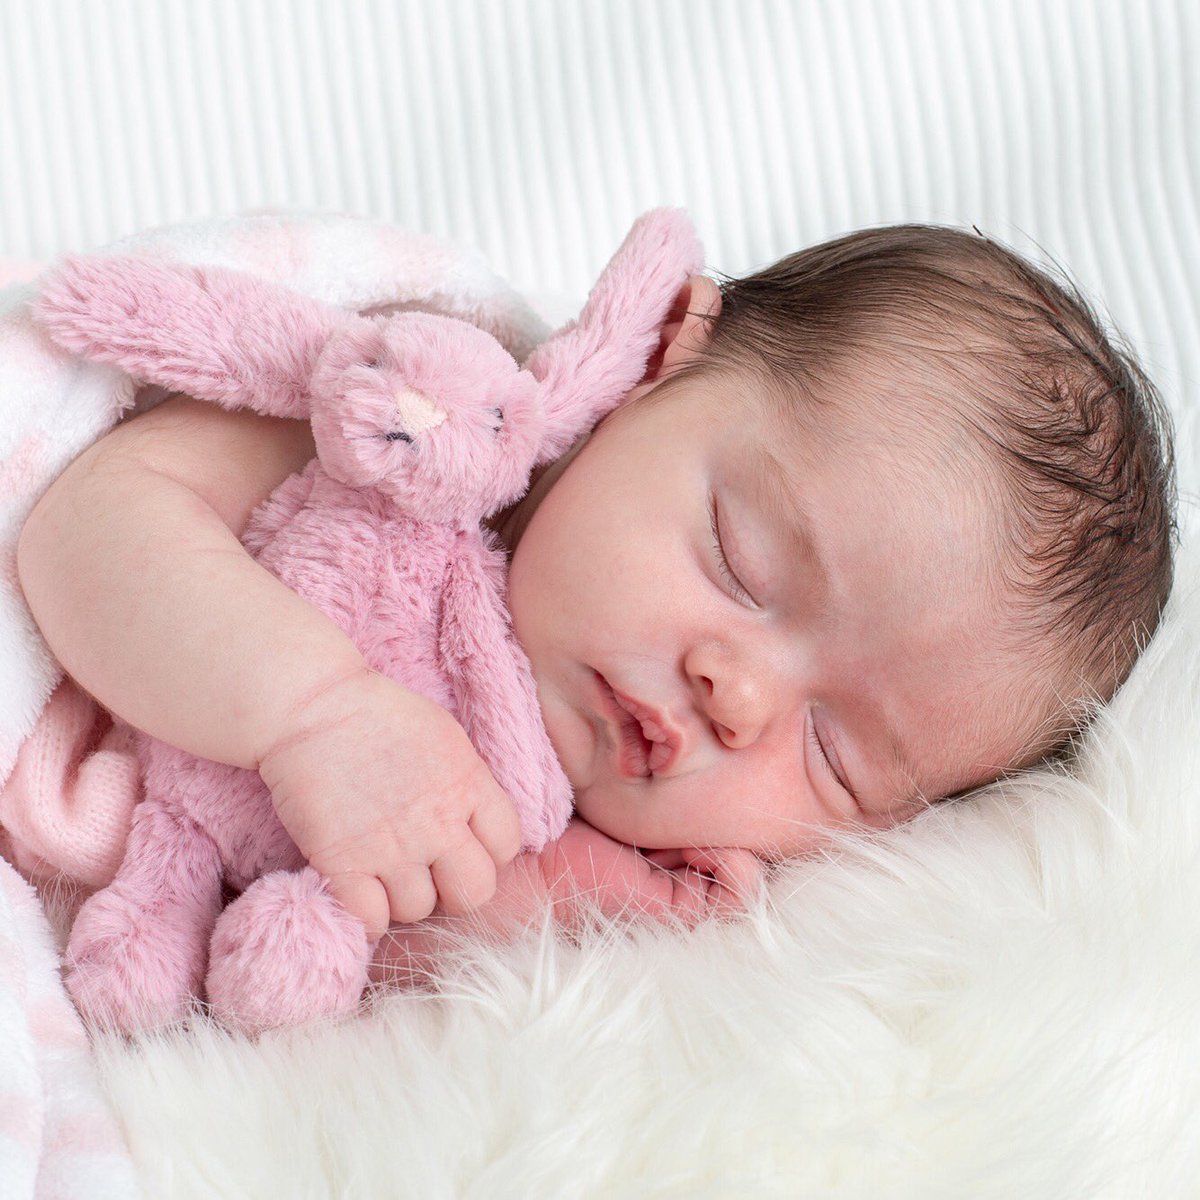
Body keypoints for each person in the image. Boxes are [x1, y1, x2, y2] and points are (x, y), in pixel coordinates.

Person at [14, 224, 1177, 956]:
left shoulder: (626, 879)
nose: (737, 698)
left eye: (835, 756)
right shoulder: (418, 433)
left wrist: (558, 904)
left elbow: (377, 959)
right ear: (663, 352)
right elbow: (91, 526)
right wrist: (316, 714)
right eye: (740, 560)